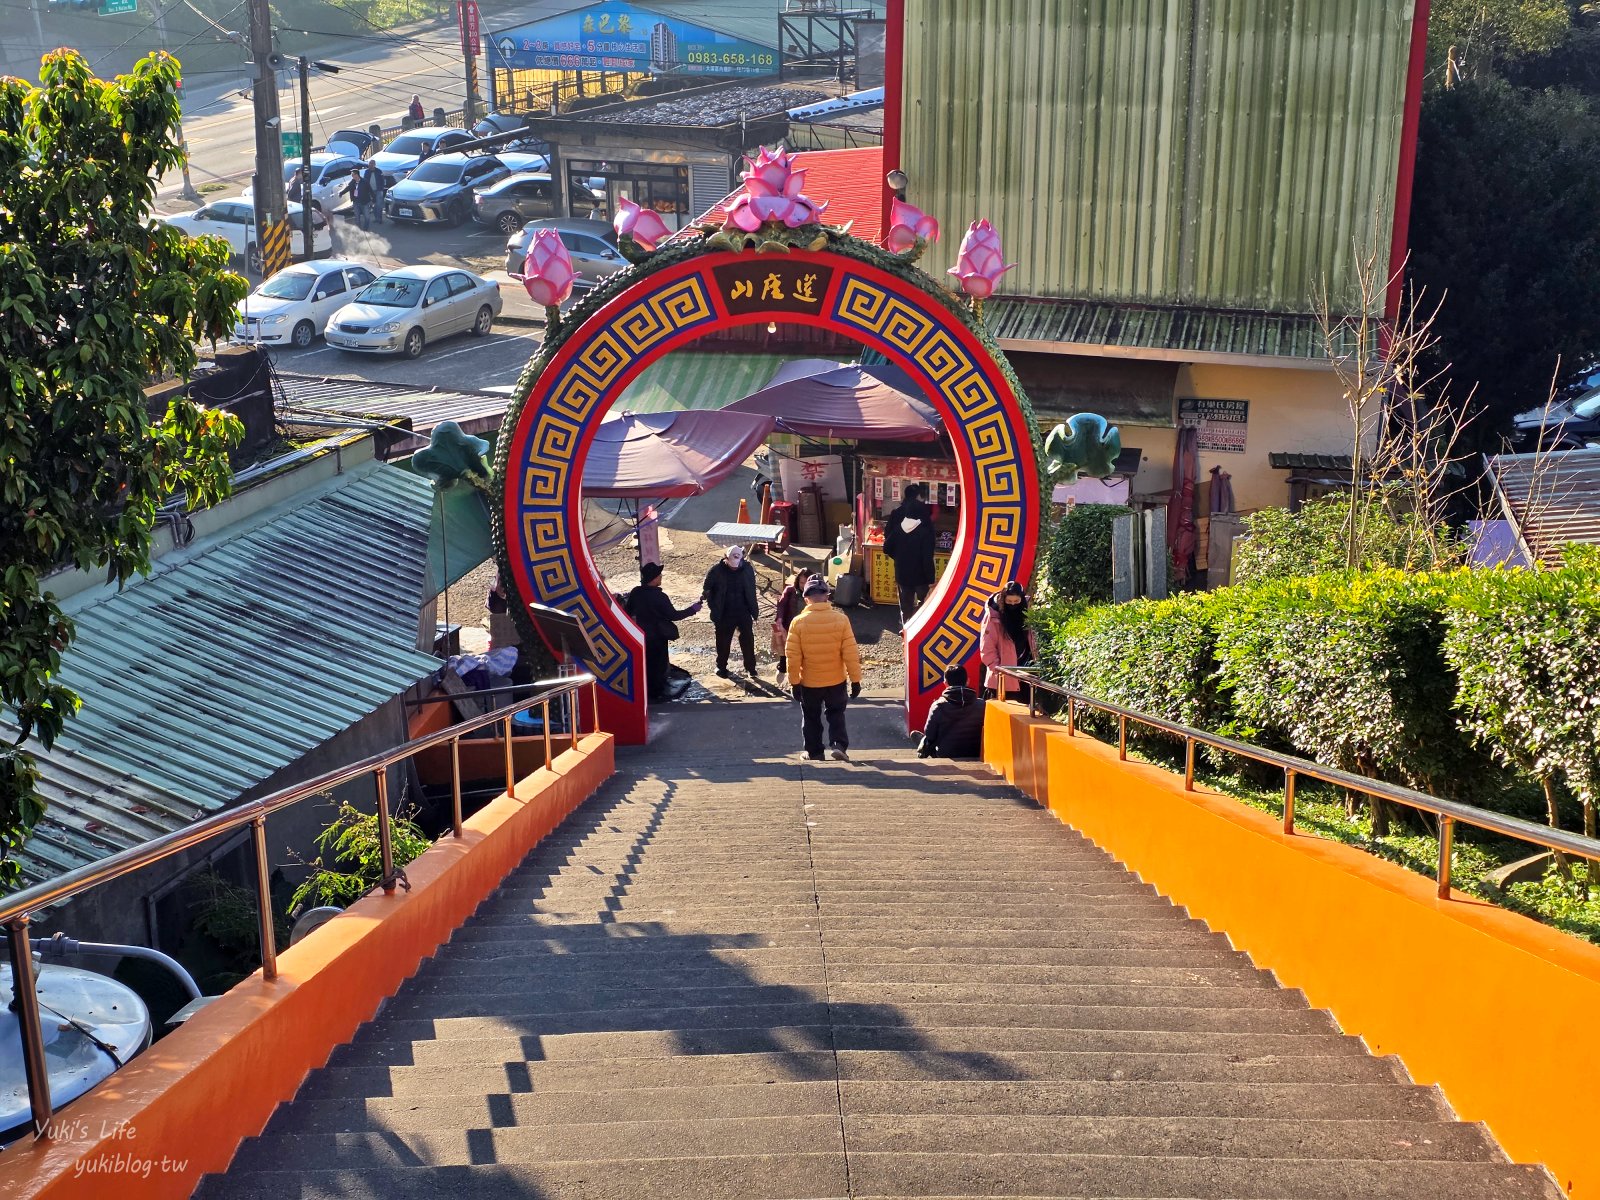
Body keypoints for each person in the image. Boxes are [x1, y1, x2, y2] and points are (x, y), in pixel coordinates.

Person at [785, 575, 862, 761]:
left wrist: (794, 682)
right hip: (836, 680)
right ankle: (839, 745)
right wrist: (856, 680)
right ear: (827, 596)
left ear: (806, 599)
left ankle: (814, 752)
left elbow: (793, 657)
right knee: (836, 714)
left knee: (811, 717)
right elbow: (850, 653)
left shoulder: (798, 622)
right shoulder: (841, 620)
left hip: (810, 682)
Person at [624, 562, 702, 703]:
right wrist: (693, 609)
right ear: (653, 578)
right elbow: (674, 615)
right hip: (658, 637)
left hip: (641, 636)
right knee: (658, 666)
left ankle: (646, 690)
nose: (661, 577)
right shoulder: (660, 597)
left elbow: (628, 612)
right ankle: (656, 694)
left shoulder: (636, 593)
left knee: (645, 664)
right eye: (659, 575)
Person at [882, 482, 937, 623]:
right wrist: (931, 578)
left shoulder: (898, 524)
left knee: (905, 604)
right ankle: (920, 627)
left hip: (902, 571)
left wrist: (899, 556)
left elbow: (887, 545)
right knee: (925, 604)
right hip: (921, 575)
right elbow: (927, 556)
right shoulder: (925, 528)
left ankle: (906, 626)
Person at [702, 545, 759, 679]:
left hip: (743, 610)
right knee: (723, 641)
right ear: (726, 558)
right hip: (724, 611)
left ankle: (751, 668)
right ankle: (721, 666)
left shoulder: (747, 569)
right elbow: (707, 588)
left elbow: (751, 589)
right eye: (732, 564)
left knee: (748, 640)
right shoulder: (716, 570)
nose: (735, 566)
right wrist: (710, 602)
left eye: (737, 564)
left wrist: (754, 610)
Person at [980, 579, 1038, 699]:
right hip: (1001, 676)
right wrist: (998, 669)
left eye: (1016, 601)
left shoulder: (1028, 613)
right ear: (1003, 600)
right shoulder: (993, 617)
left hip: (1025, 672)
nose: (1013, 605)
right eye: (1009, 601)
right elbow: (987, 648)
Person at [917, 664, 985, 759]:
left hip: (946, 755)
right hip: (975, 753)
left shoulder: (938, 706)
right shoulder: (982, 705)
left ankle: (923, 746)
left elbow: (930, 734)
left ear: (945, 682)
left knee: (929, 739)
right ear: (967, 681)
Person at [772, 567, 807, 686]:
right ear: (798, 581)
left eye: (806, 582)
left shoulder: (813, 594)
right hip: (788, 627)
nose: (804, 586)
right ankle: (782, 672)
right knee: (785, 655)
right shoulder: (790, 590)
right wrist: (780, 619)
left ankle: (799, 680)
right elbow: (781, 605)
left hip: (806, 631)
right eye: (802, 582)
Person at [343, 166, 372, 231]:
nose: (352, 176)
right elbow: (348, 188)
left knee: (367, 217)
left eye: (353, 174)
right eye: (352, 175)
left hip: (364, 202)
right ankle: (359, 229)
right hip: (356, 202)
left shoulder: (364, 181)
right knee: (357, 217)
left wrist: (373, 199)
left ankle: (365, 227)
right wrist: (341, 193)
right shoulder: (352, 182)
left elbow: (370, 190)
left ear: (357, 175)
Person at [364, 162, 386, 226]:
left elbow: (383, 180)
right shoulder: (367, 172)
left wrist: (382, 188)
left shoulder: (379, 171)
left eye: (371, 164)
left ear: (374, 165)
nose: (370, 165)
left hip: (379, 190)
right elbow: (365, 181)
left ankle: (380, 219)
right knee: (373, 205)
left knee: (379, 205)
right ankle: (376, 218)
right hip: (370, 191)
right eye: (369, 164)